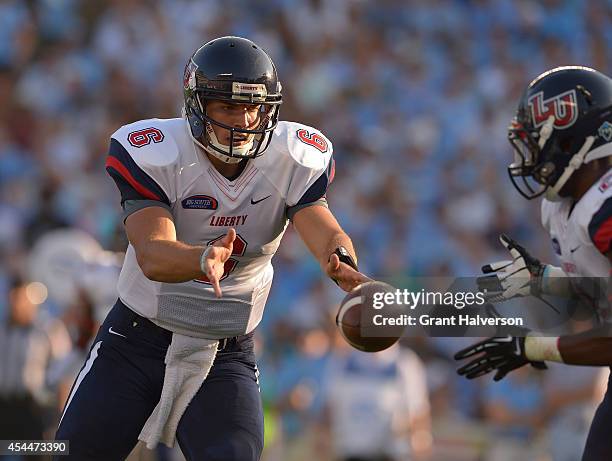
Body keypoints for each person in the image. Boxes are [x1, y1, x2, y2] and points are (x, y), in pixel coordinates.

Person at [54, 36, 370, 461]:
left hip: (224, 354)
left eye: (251, 108)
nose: (242, 121)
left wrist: (341, 259)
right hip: (135, 343)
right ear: (197, 106)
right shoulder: (156, 152)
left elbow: (323, 226)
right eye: (227, 107)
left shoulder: (291, 158)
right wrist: (201, 258)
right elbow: (151, 252)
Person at [453, 66, 612, 460]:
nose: (530, 158)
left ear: (576, 141)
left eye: (539, 144)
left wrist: (534, 348)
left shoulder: (604, 212)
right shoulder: (566, 209)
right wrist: (549, 279)